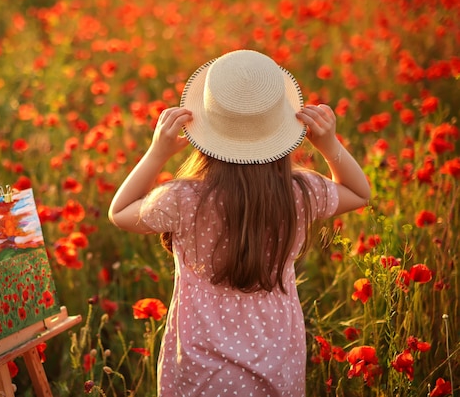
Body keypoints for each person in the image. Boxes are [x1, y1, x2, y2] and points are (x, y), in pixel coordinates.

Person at [108, 49, 370, 396]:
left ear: (203, 131)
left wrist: (158, 151)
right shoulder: (300, 193)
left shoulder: (184, 199)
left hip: (201, 372)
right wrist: (328, 144)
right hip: (277, 360)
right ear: (282, 128)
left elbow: (120, 210)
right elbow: (358, 192)